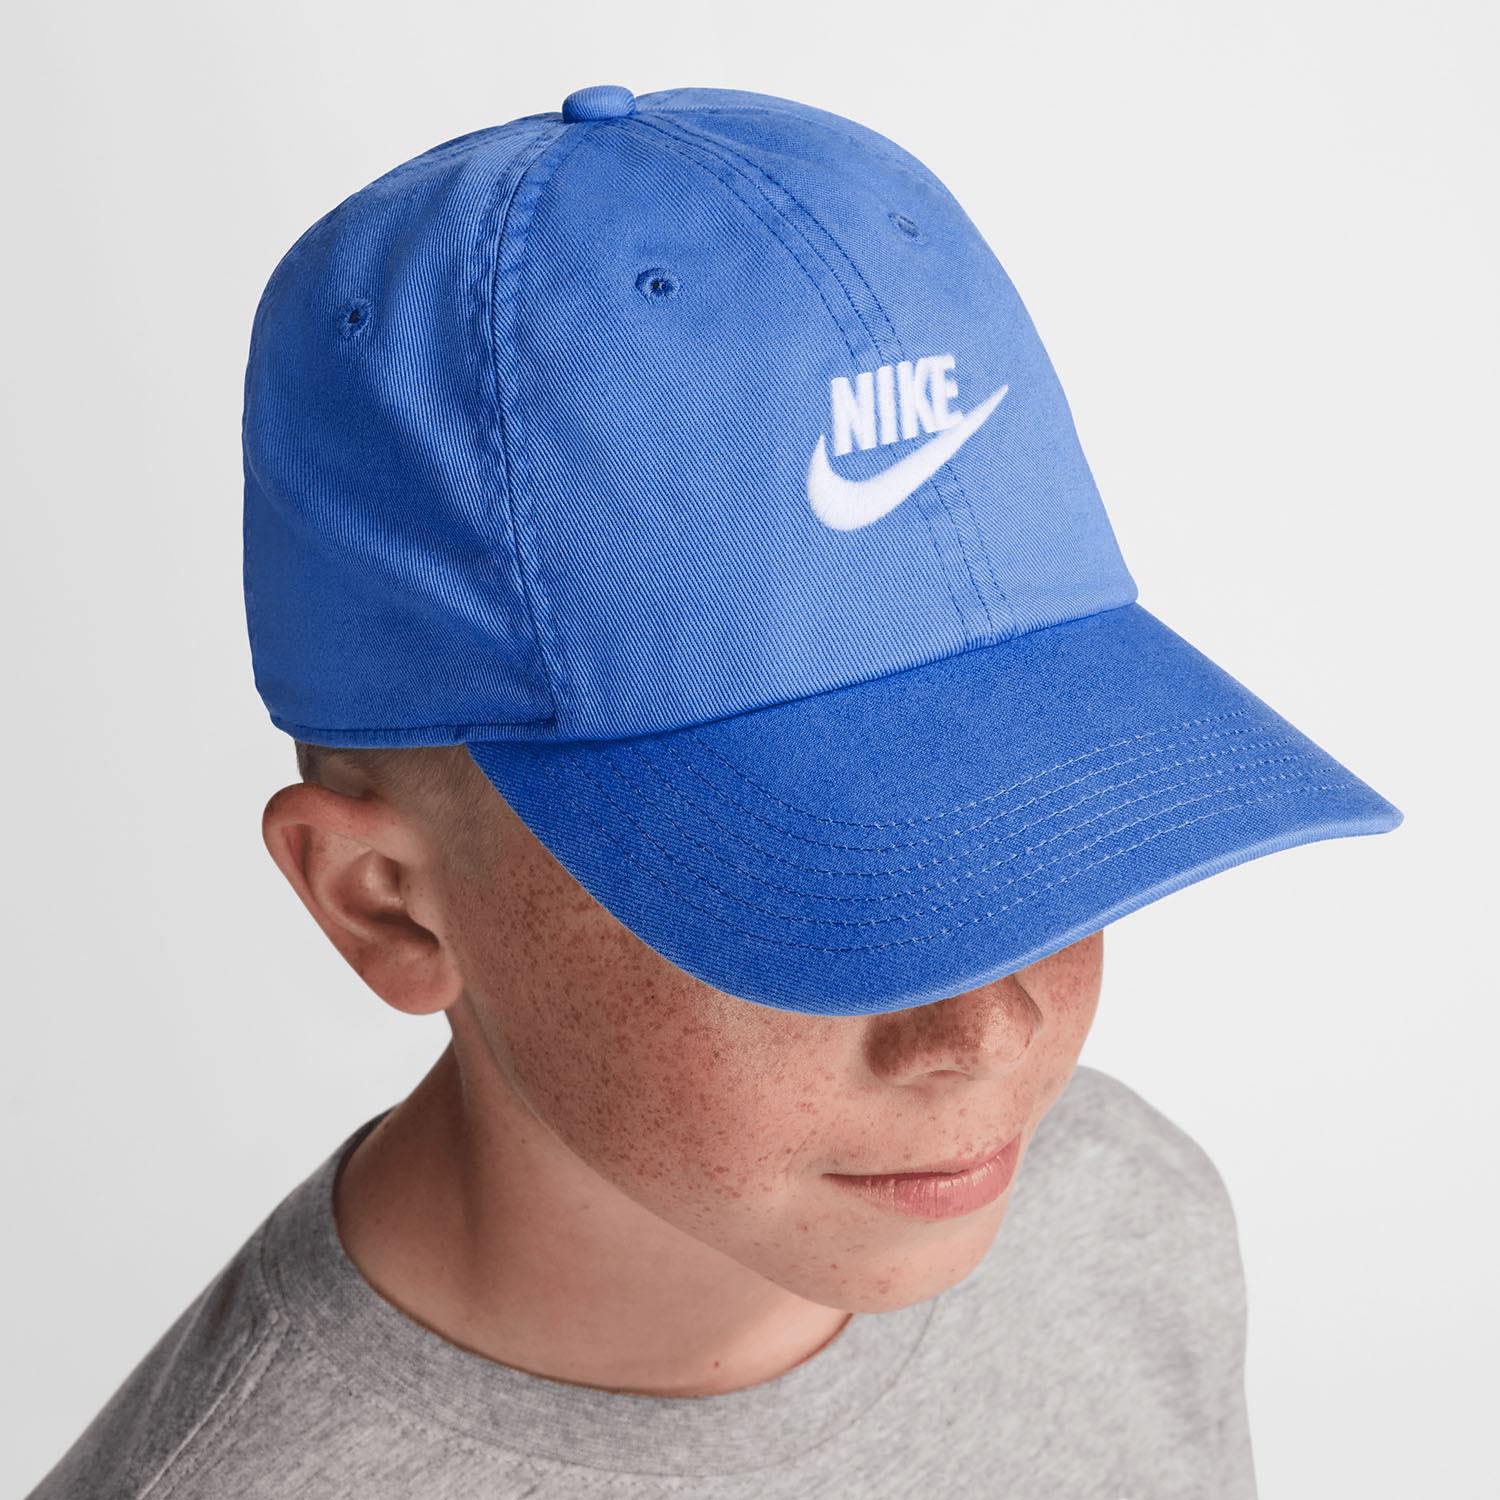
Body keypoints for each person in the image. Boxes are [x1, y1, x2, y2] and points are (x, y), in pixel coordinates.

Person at [28, 83, 1401, 1498]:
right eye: (825, 904)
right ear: (387, 904)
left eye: (1041, 840)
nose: (989, 1028)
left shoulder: (1123, 1227)